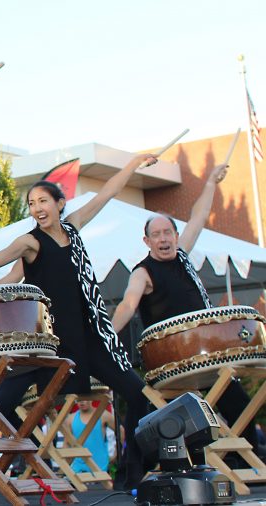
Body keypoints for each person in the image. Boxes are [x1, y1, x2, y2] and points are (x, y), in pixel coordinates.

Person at [0, 153, 159, 489]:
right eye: (31, 203)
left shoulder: (73, 227)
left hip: (89, 335)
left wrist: (132, 165)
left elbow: (106, 195)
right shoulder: (31, 242)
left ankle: (132, 472)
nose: (37, 207)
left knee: (136, 392)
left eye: (43, 200)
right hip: (47, 340)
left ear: (60, 204)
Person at [110, 163, 263, 453]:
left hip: (206, 353)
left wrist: (209, 183)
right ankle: (133, 469)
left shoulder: (182, 256)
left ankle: (246, 460)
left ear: (176, 237)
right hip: (171, 361)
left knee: (239, 403)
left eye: (168, 232)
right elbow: (128, 305)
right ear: (147, 241)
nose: (164, 239)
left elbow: (199, 216)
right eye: (157, 234)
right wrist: (107, 334)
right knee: (147, 411)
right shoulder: (142, 272)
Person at [65, 398, 116, 473]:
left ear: (91, 399)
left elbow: (121, 431)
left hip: (100, 468)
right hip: (78, 469)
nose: (82, 401)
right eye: (79, 399)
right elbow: (66, 443)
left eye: (85, 398)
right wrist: (65, 465)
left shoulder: (103, 415)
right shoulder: (70, 418)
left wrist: (115, 455)